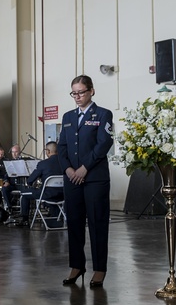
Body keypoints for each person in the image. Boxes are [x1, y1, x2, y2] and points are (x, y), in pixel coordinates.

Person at [57, 75, 113, 287]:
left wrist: (84, 168)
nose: (77, 97)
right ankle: (77, 265)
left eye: (81, 92)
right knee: (74, 223)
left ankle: (99, 269)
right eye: (74, 93)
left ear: (92, 91)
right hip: (72, 178)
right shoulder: (68, 116)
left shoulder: (103, 114)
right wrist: (69, 169)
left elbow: (103, 144)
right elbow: (61, 147)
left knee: (97, 223)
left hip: (95, 179)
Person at [15, 141, 64, 225]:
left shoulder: (43, 164)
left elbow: (30, 180)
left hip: (47, 195)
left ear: (48, 151)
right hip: (63, 195)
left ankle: (25, 220)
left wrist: (29, 184)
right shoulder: (64, 163)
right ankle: (57, 217)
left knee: (24, 194)